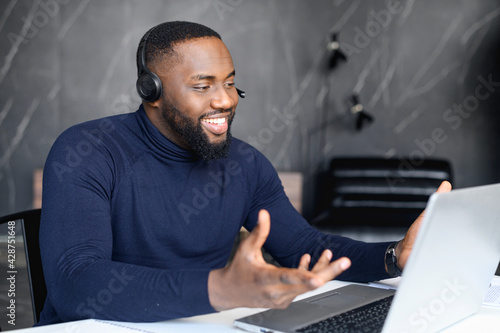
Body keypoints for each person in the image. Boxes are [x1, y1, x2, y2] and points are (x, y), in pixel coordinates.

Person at [37, 21, 451, 325]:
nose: (225, 100)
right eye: (203, 86)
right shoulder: (87, 151)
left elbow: (305, 245)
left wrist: (393, 257)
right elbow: (76, 282)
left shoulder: (245, 164)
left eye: (230, 82)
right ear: (152, 92)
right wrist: (220, 289)